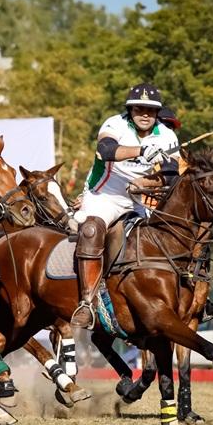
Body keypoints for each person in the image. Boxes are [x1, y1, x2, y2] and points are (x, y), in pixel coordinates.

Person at [71, 83, 177, 328]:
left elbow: (172, 174)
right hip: (105, 195)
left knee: (169, 235)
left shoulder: (167, 135)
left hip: (139, 198)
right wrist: (142, 150)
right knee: (91, 230)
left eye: (150, 110)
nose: (145, 114)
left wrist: (145, 182)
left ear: (157, 113)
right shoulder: (115, 124)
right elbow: (105, 149)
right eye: (139, 109)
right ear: (130, 110)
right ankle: (86, 303)